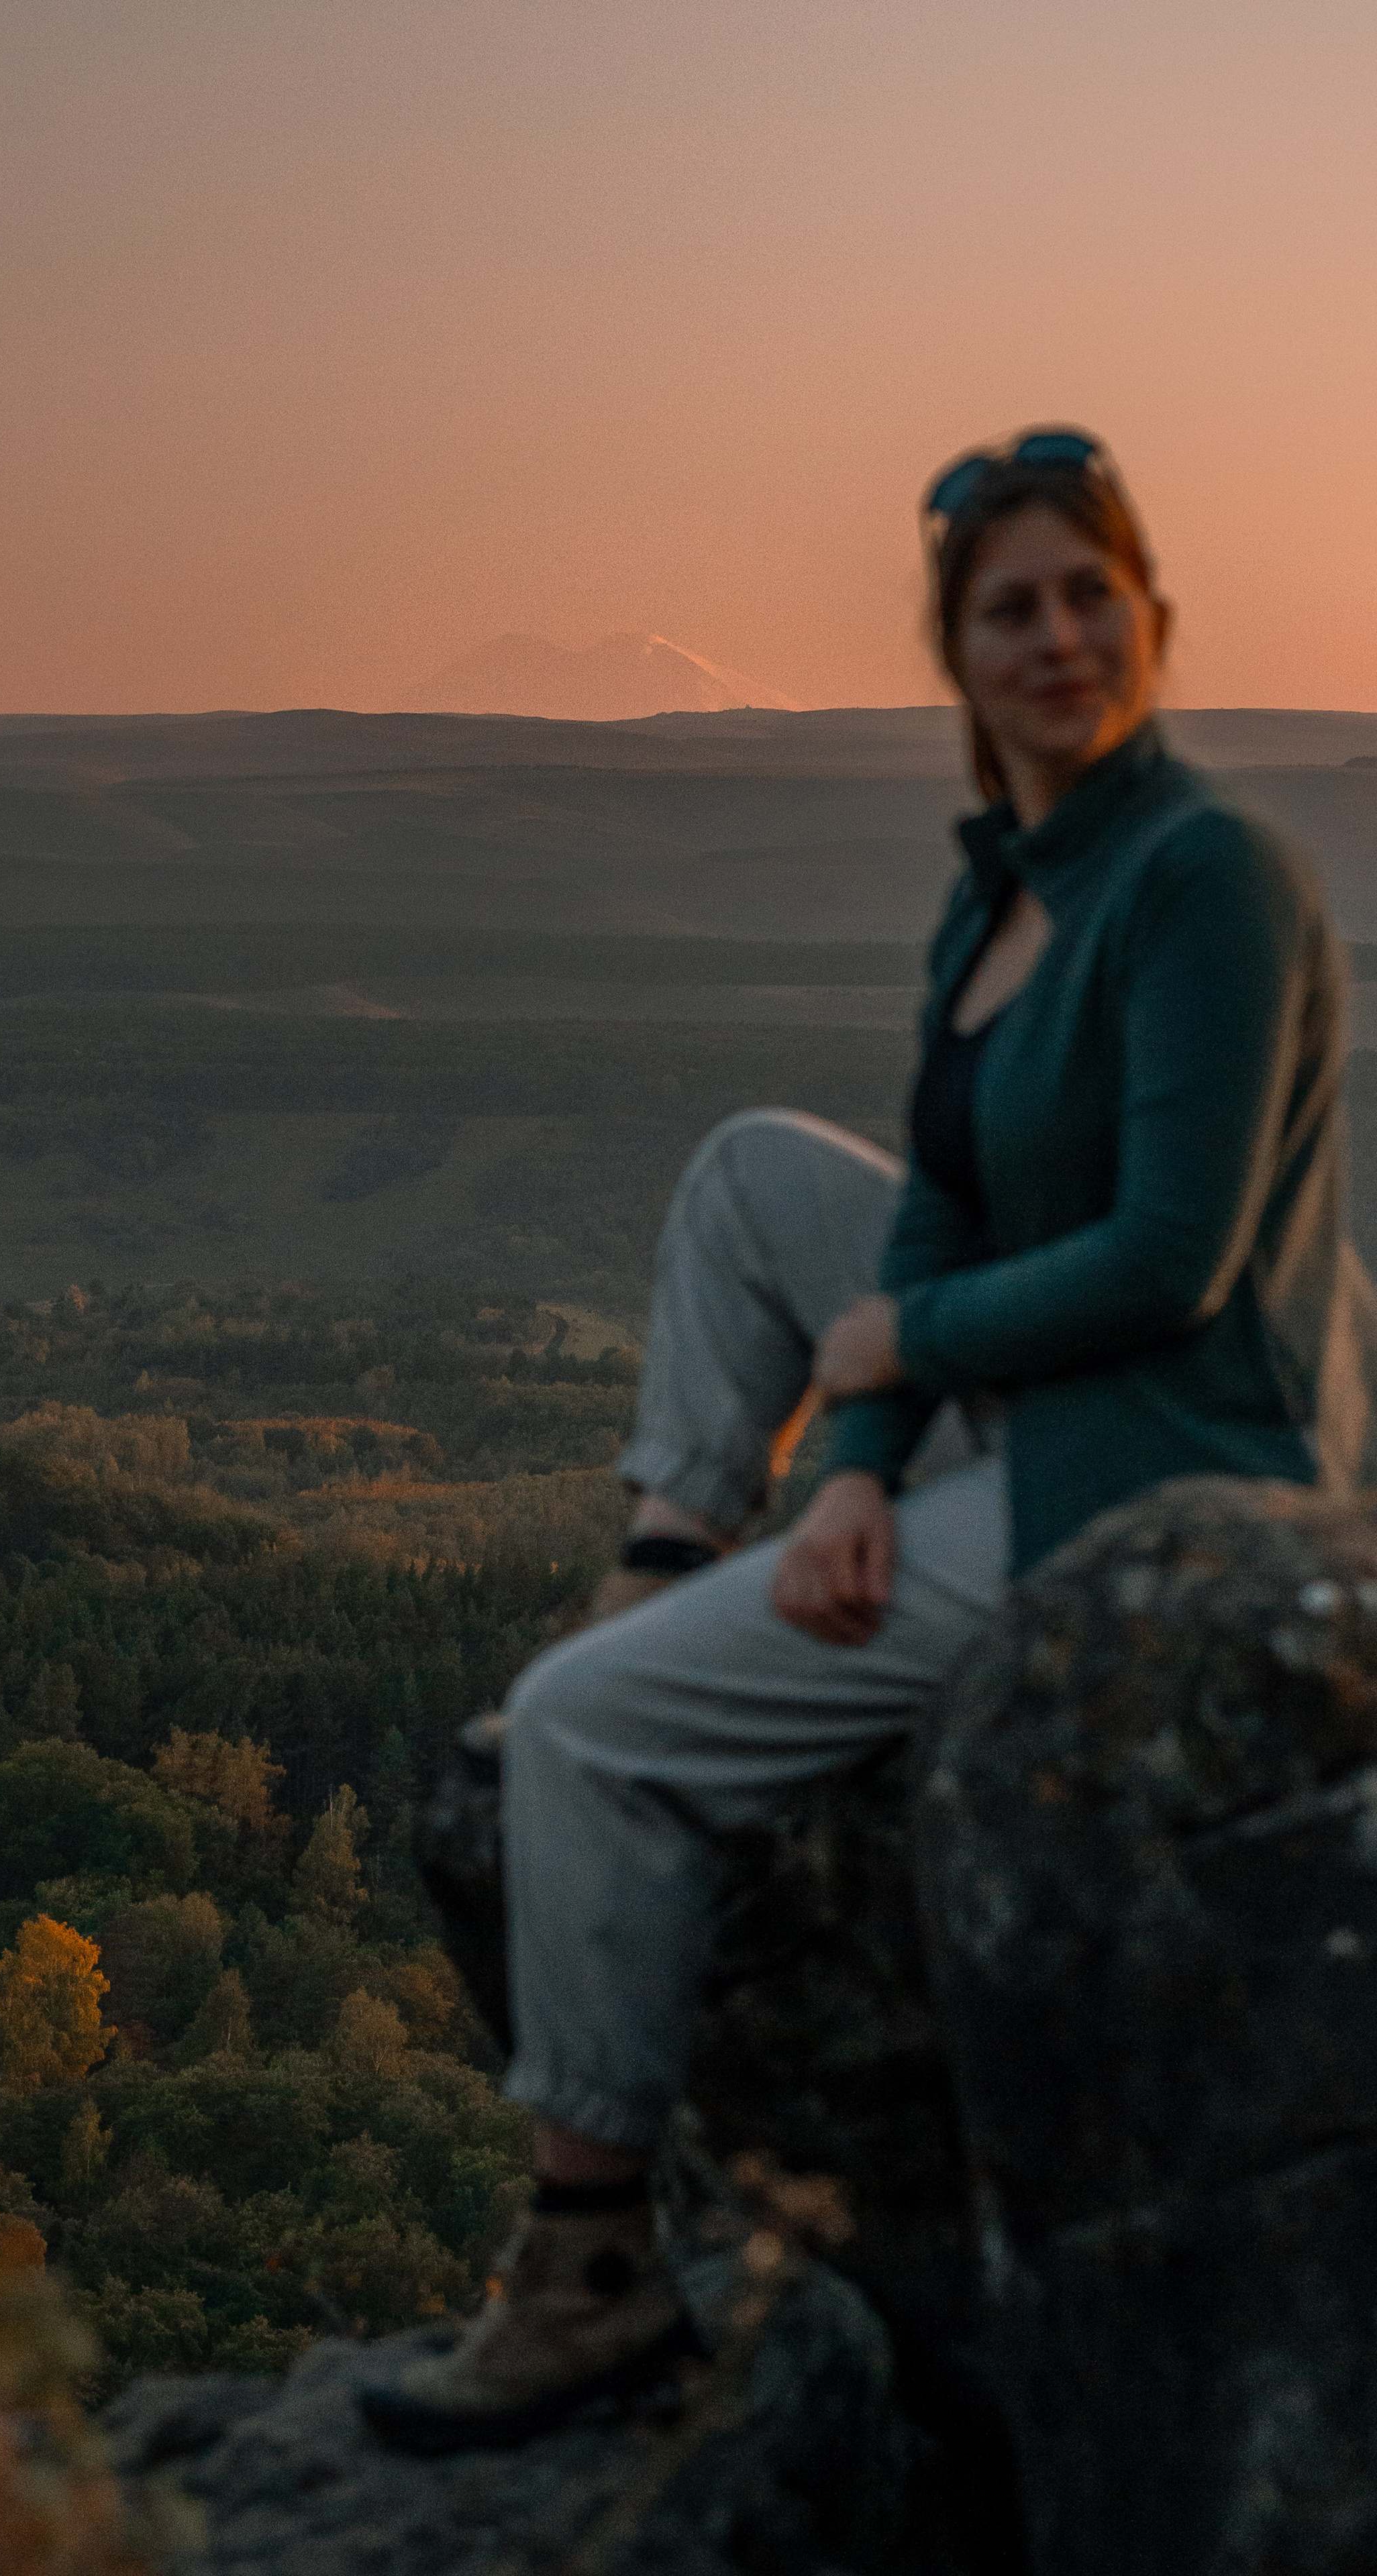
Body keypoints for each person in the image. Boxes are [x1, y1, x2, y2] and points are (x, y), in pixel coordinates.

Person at [363, 427, 1377, 2454]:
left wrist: (905, 1346)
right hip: (1049, 1386)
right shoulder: (1005, 900)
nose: (1062, 635)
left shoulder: (1204, 880)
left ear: (1153, 619)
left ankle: (586, 2272)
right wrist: (844, 1465)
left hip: (1171, 1457)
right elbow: (927, 1205)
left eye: (1093, 593)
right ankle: (663, 1563)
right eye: (1015, 607)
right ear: (958, 652)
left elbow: (1174, 1261)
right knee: (753, 1172)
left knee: (583, 1735)